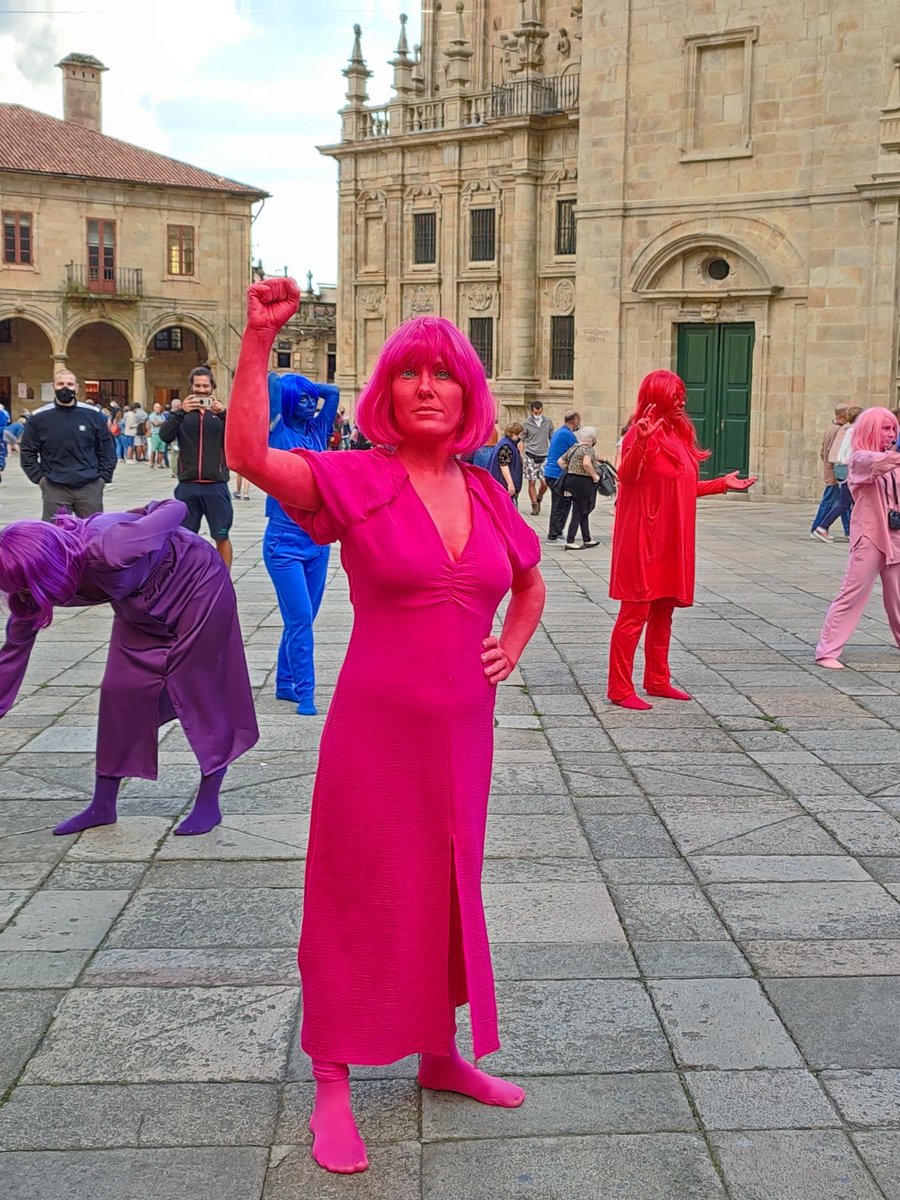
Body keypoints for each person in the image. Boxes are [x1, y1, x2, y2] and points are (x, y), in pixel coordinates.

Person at [225, 278, 546, 1176]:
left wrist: (510, 645)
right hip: (375, 729)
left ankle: (440, 1054)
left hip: (463, 734)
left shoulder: (486, 493)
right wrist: (258, 342)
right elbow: (248, 452)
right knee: (359, 885)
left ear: (470, 394)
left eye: (446, 374)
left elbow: (530, 578)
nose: (430, 387)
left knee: (450, 883)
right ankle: (332, 1076)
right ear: (388, 395)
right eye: (411, 374)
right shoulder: (356, 477)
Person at [0, 502, 259, 835]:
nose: (14, 594)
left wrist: (137, 517)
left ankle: (209, 801)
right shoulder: (31, 590)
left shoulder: (110, 544)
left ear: (42, 569)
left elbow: (174, 507)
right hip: (138, 604)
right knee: (119, 691)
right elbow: (15, 649)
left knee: (198, 687)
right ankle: (102, 805)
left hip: (196, 583)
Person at [608, 369, 756, 710]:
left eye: (683, 393)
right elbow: (627, 477)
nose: (682, 400)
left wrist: (722, 484)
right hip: (642, 539)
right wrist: (641, 441)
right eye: (675, 394)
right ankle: (619, 687)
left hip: (672, 539)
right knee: (634, 615)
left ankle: (657, 680)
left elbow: (682, 488)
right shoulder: (638, 434)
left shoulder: (678, 435)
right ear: (657, 396)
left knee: (664, 610)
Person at [264, 372, 340, 715]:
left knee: (303, 618)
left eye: (313, 399)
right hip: (283, 540)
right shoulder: (278, 430)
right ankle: (306, 691)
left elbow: (334, 392)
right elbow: (272, 381)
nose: (312, 404)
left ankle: (284, 683)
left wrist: (308, 387)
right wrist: (293, 384)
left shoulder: (317, 431)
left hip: (317, 540)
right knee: (300, 617)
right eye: (304, 400)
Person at [816, 408, 900, 668]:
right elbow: (876, 463)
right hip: (870, 536)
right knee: (852, 594)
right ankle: (827, 651)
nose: (891, 434)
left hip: (896, 535)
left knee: (898, 595)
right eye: (885, 428)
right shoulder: (860, 458)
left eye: (894, 428)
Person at [158, 368, 234, 570]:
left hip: (216, 485)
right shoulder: (182, 415)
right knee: (185, 537)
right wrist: (180, 412)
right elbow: (164, 436)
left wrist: (224, 414)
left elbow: (237, 437)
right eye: (197, 385)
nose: (201, 390)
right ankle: (187, 576)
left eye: (205, 386)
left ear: (212, 388)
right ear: (191, 387)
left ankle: (223, 578)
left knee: (222, 534)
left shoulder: (219, 416)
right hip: (188, 485)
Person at [20, 368, 115, 520]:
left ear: (76, 387)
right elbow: (27, 451)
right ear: (53, 386)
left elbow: (107, 449)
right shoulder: (39, 418)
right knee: (56, 536)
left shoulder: (94, 415)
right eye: (61, 384)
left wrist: (103, 478)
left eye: (70, 384)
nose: (65, 388)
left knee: (93, 534)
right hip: (55, 487)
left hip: (89, 486)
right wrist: (40, 479)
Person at [812, 407, 863, 542]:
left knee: (847, 501)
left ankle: (850, 531)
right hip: (847, 468)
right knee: (843, 502)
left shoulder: (846, 430)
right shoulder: (853, 431)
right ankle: (821, 527)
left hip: (841, 468)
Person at [557, 426, 604, 550]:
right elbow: (586, 463)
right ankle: (570, 540)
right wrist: (594, 476)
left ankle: (586, 538)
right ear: (593, 439)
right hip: (582, 483)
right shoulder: (588, 449)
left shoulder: (574, 448)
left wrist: (572, 468)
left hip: (570, 481)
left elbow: (560, 462)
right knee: (579, 511)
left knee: (583, 510)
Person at [810, 404, 850, 538]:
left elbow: (823, 452)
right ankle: (817, 528)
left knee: (843, 502)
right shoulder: (838, 431)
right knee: (830, 501)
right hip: (834, 472)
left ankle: (849, 530)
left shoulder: (830, 428)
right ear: (842, 416)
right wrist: (836, 471)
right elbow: (834, 453)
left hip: (831, 470)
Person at [544, 410, 580, 540]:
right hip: (557, 474)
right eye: (578, 421)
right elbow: (579, 451)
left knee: (560, 502)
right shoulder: (567, 434)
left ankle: (556, 530)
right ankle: (554, 532)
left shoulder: (559, 432)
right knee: (561, 503)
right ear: (575, 420)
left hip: (551, 473)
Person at [521, 400, 554, 515]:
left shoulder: (548, 422)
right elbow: (522, 440)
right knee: (532, 482)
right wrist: (522, 454)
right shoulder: (526, 423)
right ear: (531, 411)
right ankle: (534, 504)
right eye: (535, 413)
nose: (537, 415)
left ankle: (539, 497)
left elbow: (552, 438)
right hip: (530, 454)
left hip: (544, 455)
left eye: (539, 412)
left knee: (545, 482)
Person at [488, 422, 524, 505]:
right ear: (514, 434)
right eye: (520, 435)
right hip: (503, 484)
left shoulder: (507, 443)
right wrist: (510, 484)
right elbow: (503, 465)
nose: (520, 437)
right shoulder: (506, 446)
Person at [147, 402, 167, 469]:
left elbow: (164, 423)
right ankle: (151, 463)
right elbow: (155, 424)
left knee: (161, 450)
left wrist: (160, 422)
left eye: (159, 407)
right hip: (155, 434)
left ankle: (159, 463)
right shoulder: (152, 415)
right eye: (157, 407)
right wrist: (162, 422)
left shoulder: (162, 415)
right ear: (154, 408)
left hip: (162, 434)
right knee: (154, 449)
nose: (158, 408)